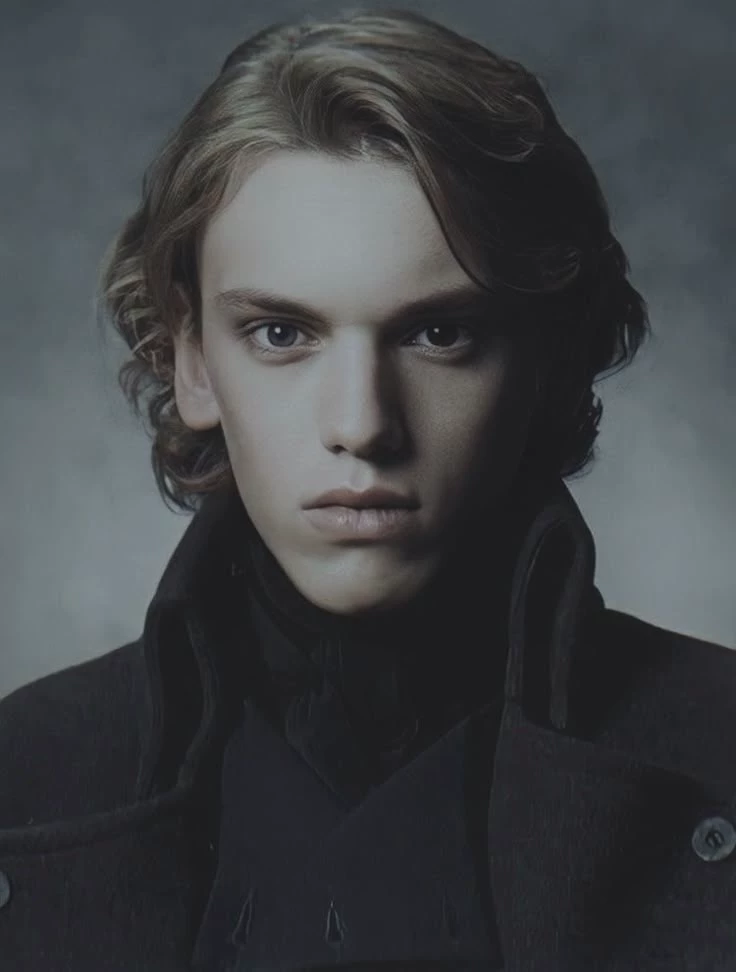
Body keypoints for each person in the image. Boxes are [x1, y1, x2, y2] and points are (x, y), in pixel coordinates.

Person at [0, 6, 733, 971]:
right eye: (281, 334)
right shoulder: (22, 768)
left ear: (548, 357)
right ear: (192, 361)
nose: (361, 423)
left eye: (439, 333)